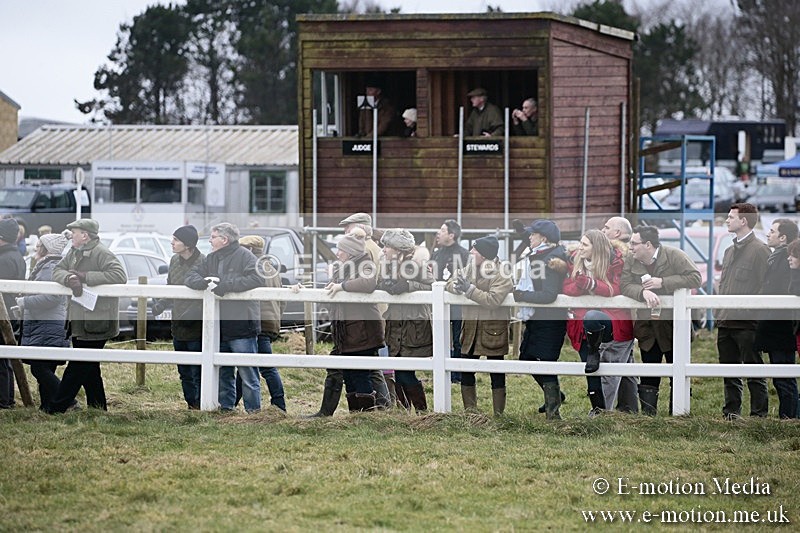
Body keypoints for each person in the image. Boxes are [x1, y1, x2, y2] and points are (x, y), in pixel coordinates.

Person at [620, 225, 702, 416]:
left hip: (674, 325)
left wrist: (662, 282)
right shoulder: (631, 260)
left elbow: (695, 278)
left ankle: (679, 414)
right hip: (647, 327)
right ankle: (649, 417)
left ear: (648, 244)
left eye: (634, 243)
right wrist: (642, 292)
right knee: (649, 372)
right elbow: (624, 285)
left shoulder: (675, 255)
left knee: (679, 371)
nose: (630, 247)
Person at [49, 218, 127, 413]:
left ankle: (57, 407)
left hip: (97, 321)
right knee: (89, 367)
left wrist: (85, 277)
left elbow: (119, 275)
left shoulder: (102, 252)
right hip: (80, 320)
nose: (71, 235)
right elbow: (57, 270)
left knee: (78, 367)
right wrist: (69, 279)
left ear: (85, 235)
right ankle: (98, 408)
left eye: (74, 232)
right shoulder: (74, 253)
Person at [184, 222, 263, 413]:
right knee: (223, 371)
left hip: (242, 324)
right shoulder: (210, 259)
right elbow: (190, 276)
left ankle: (254, 412)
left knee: (247, 371)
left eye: (212, 237)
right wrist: (203, 283)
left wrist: (226, 285)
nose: (210, 240)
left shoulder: (246, 256)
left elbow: (257, 278)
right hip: (218, 325)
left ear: (224, 239)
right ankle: (226, 409)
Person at [563, 229, 633, 416]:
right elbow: (567, 287)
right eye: (580, 243)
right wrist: (582, 286)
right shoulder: (574, 261)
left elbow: (618, 288)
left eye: (585, 244)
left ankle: (606, 411)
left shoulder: (617, 262)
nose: (580, 247)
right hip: (582, 325)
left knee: (610, 374)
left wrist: (592, 285)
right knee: (591, 370)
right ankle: (598, 410)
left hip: (612, 323)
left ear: (597, 247)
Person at [446, 235, 513, 415]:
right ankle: (471, 414)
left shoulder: (502, 273)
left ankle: (499, 415)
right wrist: (457, 287)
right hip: (470, 329)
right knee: (466, 370)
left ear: (483, 254)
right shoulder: (470, 269)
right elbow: (450, 282)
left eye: (474, 249)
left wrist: (469, 290)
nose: (470, 252)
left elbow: (493, 299)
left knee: (496, 372)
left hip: (493, 331)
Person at [716, 203, 770, 420]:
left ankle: (758, 416)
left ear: (743, 221)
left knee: (754, 371)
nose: (727, 220)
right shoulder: (729, 251)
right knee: (729, 373)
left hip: (748, 324)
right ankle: (731, 413)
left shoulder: (760, 250)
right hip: (726, 322)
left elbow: (765, 286)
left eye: (731, 217)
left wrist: (749, 310)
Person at [512, 219, 568, 419]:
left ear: (543, 238)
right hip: (539, 318)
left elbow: (549, 294)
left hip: (550, 320)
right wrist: (520, 230)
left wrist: (522, 295)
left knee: (546, 362)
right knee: (526, 357)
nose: (529, 237)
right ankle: (554, 395)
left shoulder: (549, 260)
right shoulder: (542, 254)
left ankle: (553, 413)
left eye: (532, 234)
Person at [326, 229, 384, 412]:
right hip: (350, 330)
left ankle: (366, 415)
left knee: (360, 374)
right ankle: (356, 414)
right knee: (350, 375)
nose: (337, 253)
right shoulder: (344, 267)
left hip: (363, 330)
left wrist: (341, 286)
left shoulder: (365, 263)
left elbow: (368, 284)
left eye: (340, 249)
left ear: (350, 251)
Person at [378, 229, 433, 413]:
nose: (384, 249)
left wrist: (409, 286)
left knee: (405, 372)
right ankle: (405, 413)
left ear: (398, 249)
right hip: (396, 326)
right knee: (400, 372)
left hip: (413, 326)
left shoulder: (418, 265)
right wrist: (384, 285)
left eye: (387, 246)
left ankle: (421, 412)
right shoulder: (388, 265)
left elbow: (432, 286)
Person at [151, 225, 204, 410]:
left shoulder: (204, 263)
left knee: (198, 368)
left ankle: (201, 403)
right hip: (178, 322)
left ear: (188, 244)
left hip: (198, 325)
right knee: (183, 369)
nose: (172, 242)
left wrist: (195, 312)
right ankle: (191, 403)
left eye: (176, 239)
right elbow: (170, 287)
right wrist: (161, 304)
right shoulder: (174, 261)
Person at [17, 233, 70, 411]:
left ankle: (68, 400)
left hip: (47, 324)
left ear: (46, 249)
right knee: (45, 367)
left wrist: (25, 302)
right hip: (46, 323)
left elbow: (51, 297)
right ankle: (48, 407)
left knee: (39, 368)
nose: (36, 248)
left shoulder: (49, 267)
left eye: (39, 245)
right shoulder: (48, 266)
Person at [236, 235, 286, 412]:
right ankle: (234, 401)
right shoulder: (271, 268)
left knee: (265, 367)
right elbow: (282, 301)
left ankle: (279, 404)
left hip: (259, 323)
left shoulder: (252, 269)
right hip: (270, 321)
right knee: (249, 364)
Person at [755, 219, 798, 419]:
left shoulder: (786, 259)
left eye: (772, 231)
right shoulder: (778, 257)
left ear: (783, 237)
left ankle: (789, 418)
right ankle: (787, 416)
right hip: (776, 324)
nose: (768, 234)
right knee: (781, 376)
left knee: (784, 377)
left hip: (781, 326)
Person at [430, 219, 469, 384]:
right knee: (441, 338)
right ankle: (441, 371)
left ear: (451, 235)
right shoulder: (437, 253)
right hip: (439, 303)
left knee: (458, 339)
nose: (439, 233)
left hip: (458, 303)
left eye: (442, 230)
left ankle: (458, 374)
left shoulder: (463, 254)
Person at [0, 218, 26, 409]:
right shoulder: (14, 256)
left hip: (4, 315)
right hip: (9, 313)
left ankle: (4, 400)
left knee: (2, 361)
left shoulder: (5, 260)